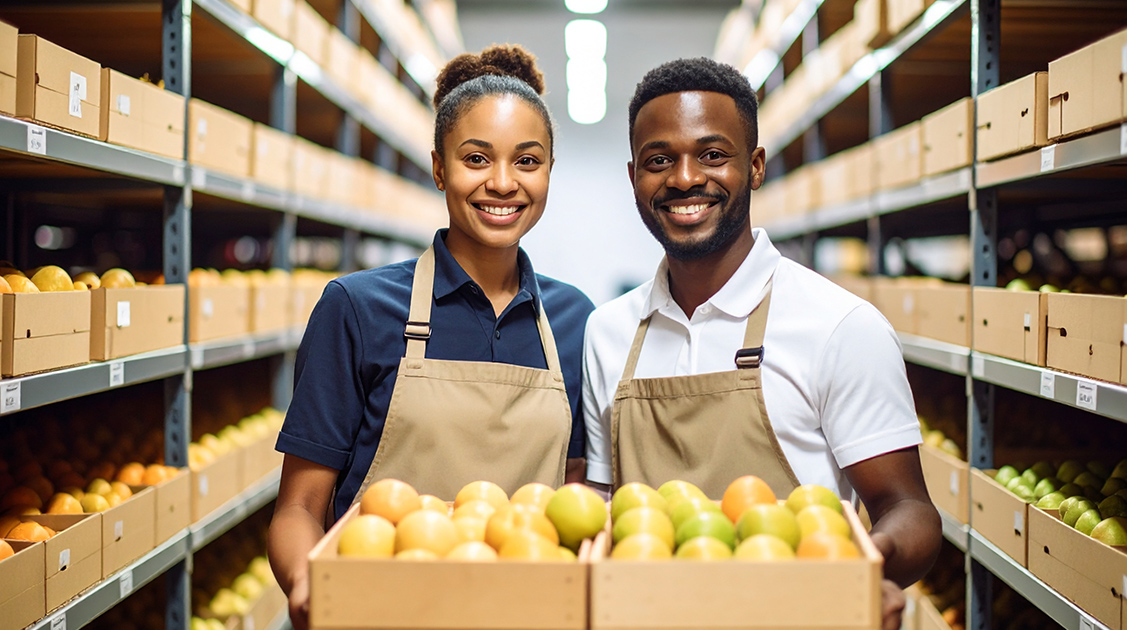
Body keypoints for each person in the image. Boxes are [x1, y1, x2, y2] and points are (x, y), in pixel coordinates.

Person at [581, 57, 940, 630]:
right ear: (633, 178)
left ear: (754, 167)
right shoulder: (607, 332)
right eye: (659, 160)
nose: (684, 178)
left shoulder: (841, 325)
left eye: (712, 155)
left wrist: (865, 567)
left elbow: (908, 508)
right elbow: (599, 504)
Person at [268, 45, 594, 630]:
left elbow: (576, 499)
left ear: (548, 172)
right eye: (476, 158)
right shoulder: (357, 308)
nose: (502, 183)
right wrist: (307, 581)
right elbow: (298, 508)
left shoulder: (575, 321)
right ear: (440, 167)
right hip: (380, 613)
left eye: (527, 161)